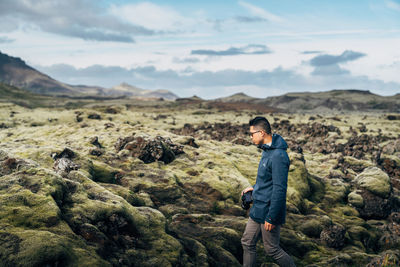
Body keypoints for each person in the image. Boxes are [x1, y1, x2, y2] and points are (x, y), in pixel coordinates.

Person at [241, 116, 295, 267]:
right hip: (258, 206)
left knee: (272, 249)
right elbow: (267, 179)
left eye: (252, 134)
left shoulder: (278, 156)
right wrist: (254, 188)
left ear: (262, 133)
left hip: (269, 210)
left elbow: (280, 189)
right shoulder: (266, 150)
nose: (250, 137)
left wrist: (272, 216)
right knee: (247, 242)